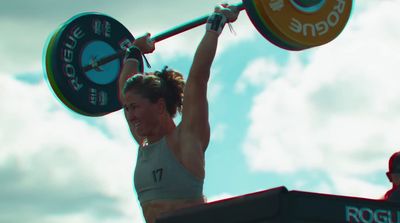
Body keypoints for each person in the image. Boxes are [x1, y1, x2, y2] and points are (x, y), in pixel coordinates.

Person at [118, 5, 239, 223]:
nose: (130, 116)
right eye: (127, 109)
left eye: (135, 107)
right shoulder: (144, 142)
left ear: (160, 106)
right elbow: (124, 89)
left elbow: (198, 78)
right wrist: (134, 51)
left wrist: (216, 24)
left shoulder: (186, 140)